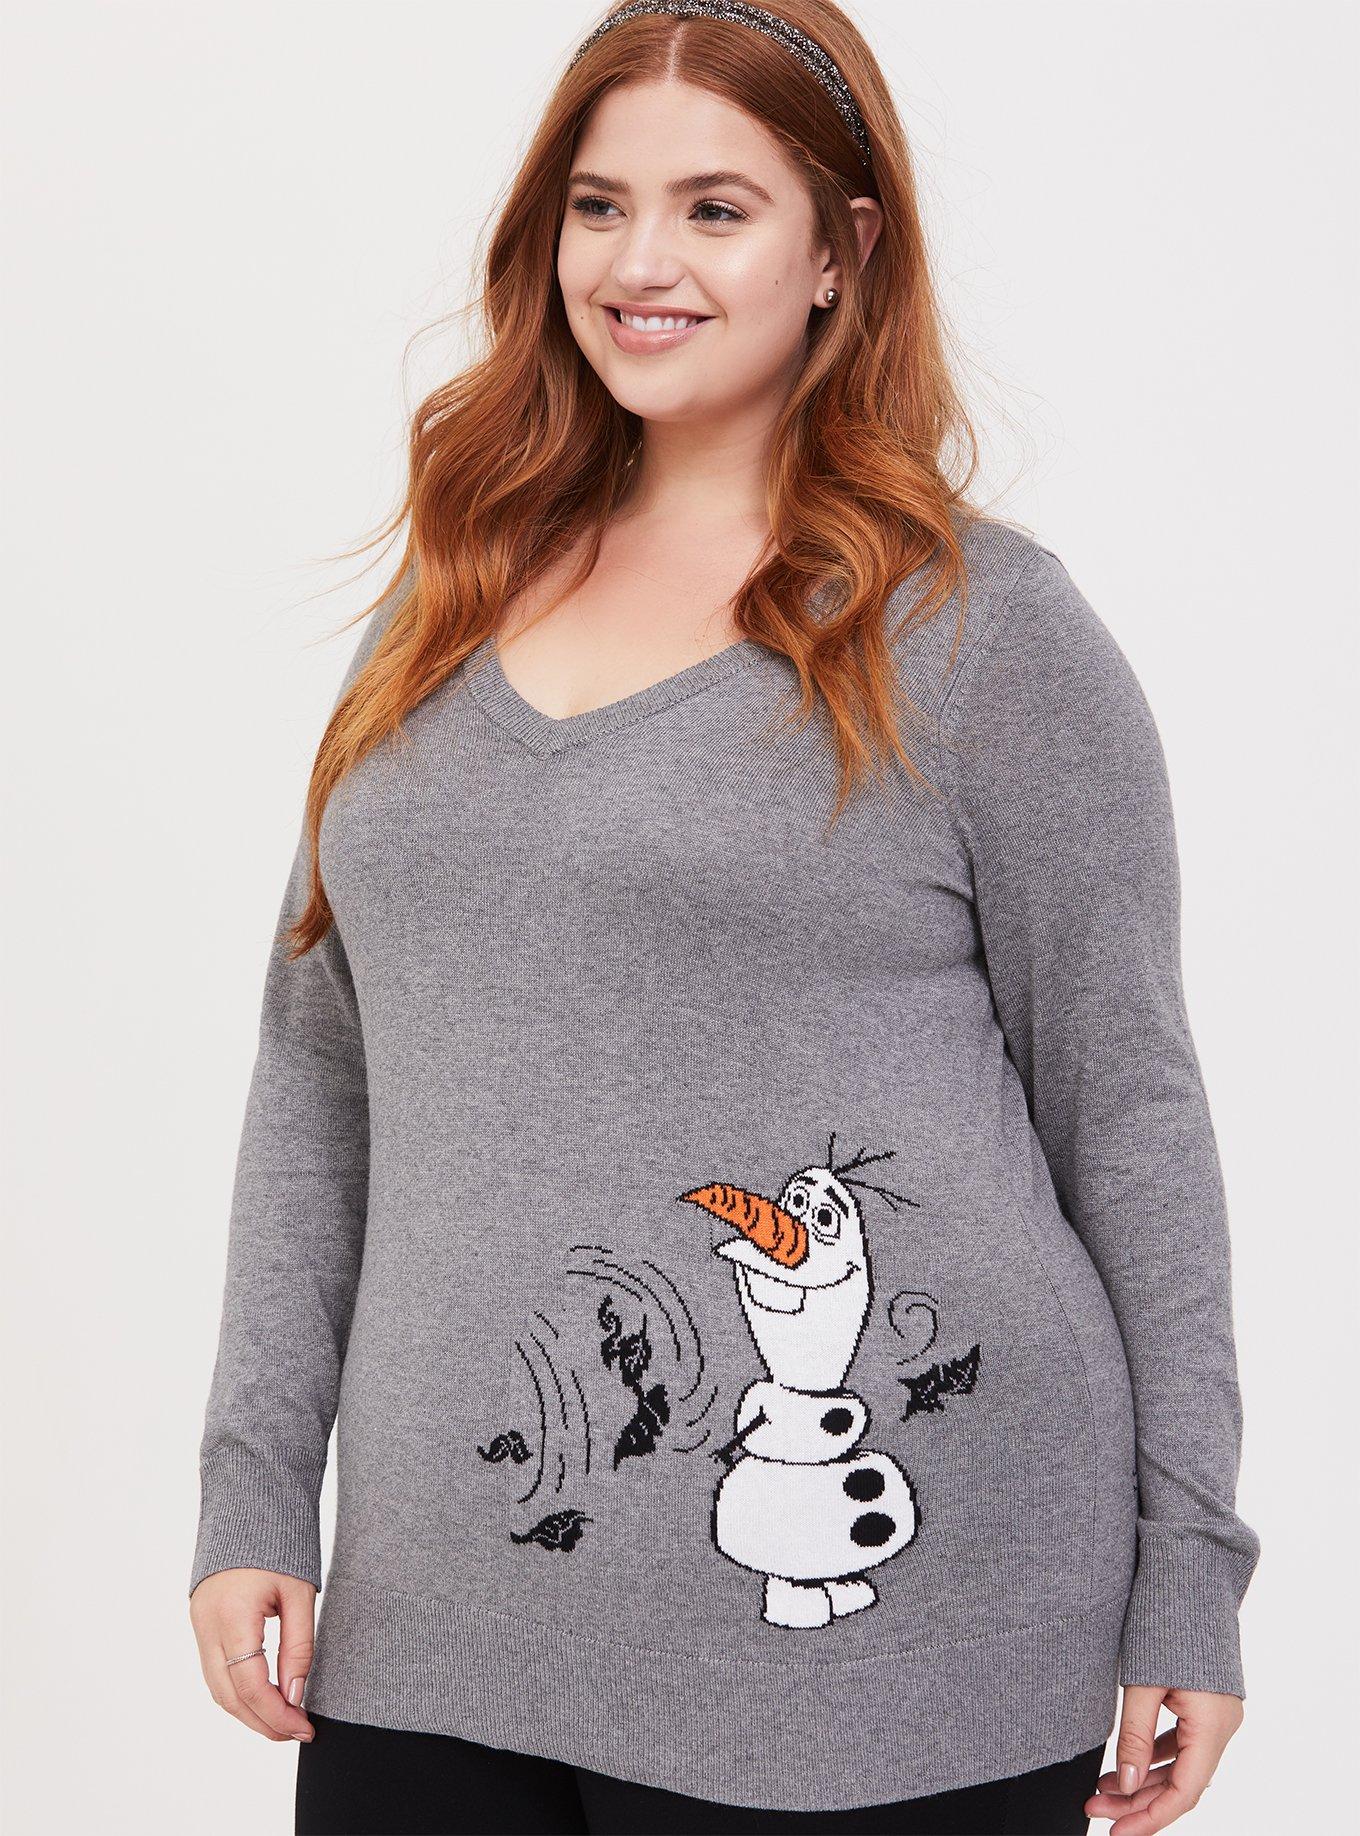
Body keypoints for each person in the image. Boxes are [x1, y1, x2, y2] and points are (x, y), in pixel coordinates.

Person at [187, 3, 1261, 1832]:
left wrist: (1191, 1575)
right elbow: (321, 1073)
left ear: (843, 248)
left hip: (878, 1638)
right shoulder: (445, 599)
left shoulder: (982, 633)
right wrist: (253, 1488)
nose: (641, 264)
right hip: (443, 1606)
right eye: (599, 206)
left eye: (715, 208)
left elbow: (1131, 1108)